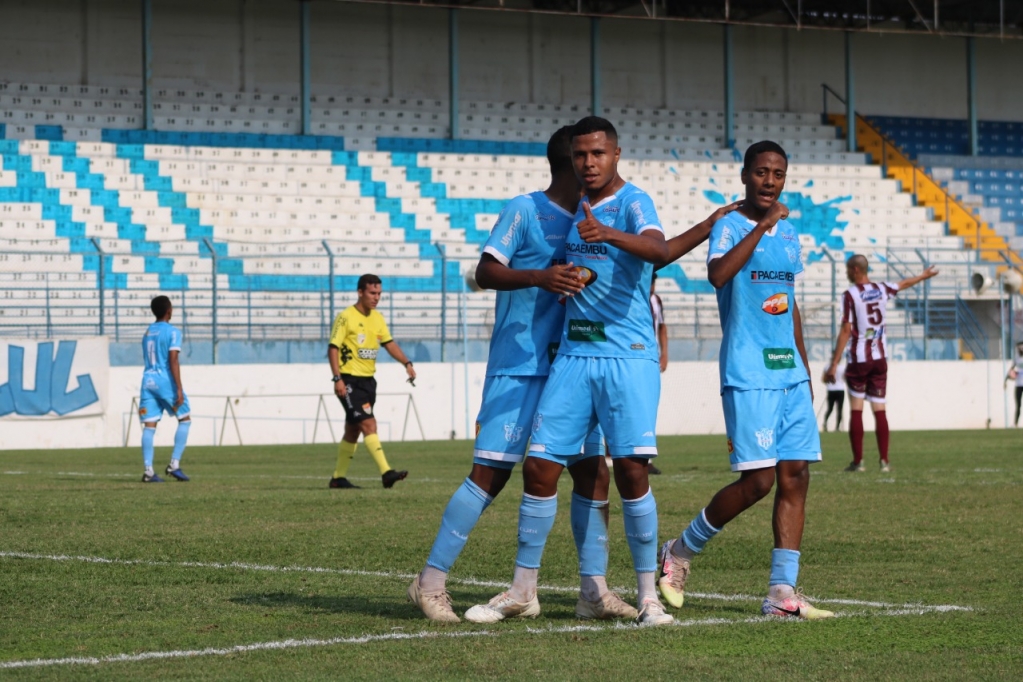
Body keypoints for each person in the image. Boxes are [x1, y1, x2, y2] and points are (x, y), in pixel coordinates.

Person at [408, 127, 630, 624]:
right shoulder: (525, 210)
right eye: (585, 157)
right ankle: (429, 582)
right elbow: (486, 272)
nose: (595, 165)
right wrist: (540, 276)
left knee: (592, 472)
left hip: (574, 366)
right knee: (490, 474)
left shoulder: (590, 220)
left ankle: (593, 591)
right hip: (520, 365)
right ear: (570, 164)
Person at [466, 116, 679, 627]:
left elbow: (660, 249)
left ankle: (648, 597)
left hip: (627, 356)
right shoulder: (568, 207)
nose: (589, 163)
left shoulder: (633, 202)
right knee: (540, 467)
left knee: (630, 471)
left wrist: (608, 233)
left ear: (616, 154)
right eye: (581, 155)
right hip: (574, 358)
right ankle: (522, 590)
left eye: (598, 154)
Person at [657, 141, 835, 620]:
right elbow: (718, 275)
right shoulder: (730, 226)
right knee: (757, 481)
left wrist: (802, 360)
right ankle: (678, 552)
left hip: (788, 372)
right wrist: (761, 226)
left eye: (778, 173)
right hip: (748, 369)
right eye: (761, 172)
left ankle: (782, 593)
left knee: (795, 476)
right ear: (744, 175)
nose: (770, 180)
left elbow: (787, 300)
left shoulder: (792, 233)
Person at [823, 255, 938, 472]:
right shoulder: (882, 288)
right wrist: (923, 276)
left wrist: (834, 363)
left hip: (859, 359)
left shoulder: (850, 295)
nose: (847, 273)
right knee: (879, 409)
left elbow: (846, 329)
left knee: (856, 410)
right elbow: (903, 284)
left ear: (856, 270)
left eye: (848, 269)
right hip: (879, 359)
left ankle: (858, 462)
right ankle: (884, 461)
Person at [327, 274, 415, 489]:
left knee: (353, 430)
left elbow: (389, 343)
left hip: (368, 382)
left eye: (379, 294)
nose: (376, 298)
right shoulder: (346, 317)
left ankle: (338, 478)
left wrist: (407, 363)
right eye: (372, 293)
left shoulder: (377, 318)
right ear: (360, 292)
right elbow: (333, 347)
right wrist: (337, 378)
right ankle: (386, 473)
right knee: (368, 423)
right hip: (349, 381)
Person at [138, 295, 191, 483]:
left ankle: (148, 471)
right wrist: (178, 388)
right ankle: (174, 465)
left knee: (149, 425)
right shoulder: (173, 332)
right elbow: (173, 360)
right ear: (169, 311)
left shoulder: (148, 331)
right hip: (164, 380)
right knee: (185, 419)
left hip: (147, 381)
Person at [650, 273, 668, 373]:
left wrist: (664, 354)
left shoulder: (656, 300)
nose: (651, 286)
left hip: (653, 353)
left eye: (653, 282)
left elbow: (662, 327)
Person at [1003, 342, 1023, 427]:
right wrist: (1006, 380)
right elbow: (1011, 370)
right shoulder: (1017, 358)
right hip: (1018, 384)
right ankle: (1015, 423)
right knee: (1018, 404)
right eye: (1020, 347)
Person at [822, 363, 846, 432]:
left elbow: (823, 379)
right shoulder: (842, 367)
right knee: (839, 409)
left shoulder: (827, 367)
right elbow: (845, 378)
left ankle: (825, 424)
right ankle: (837, 427)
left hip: (831, 389)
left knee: (830, 409)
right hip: (840, 389)